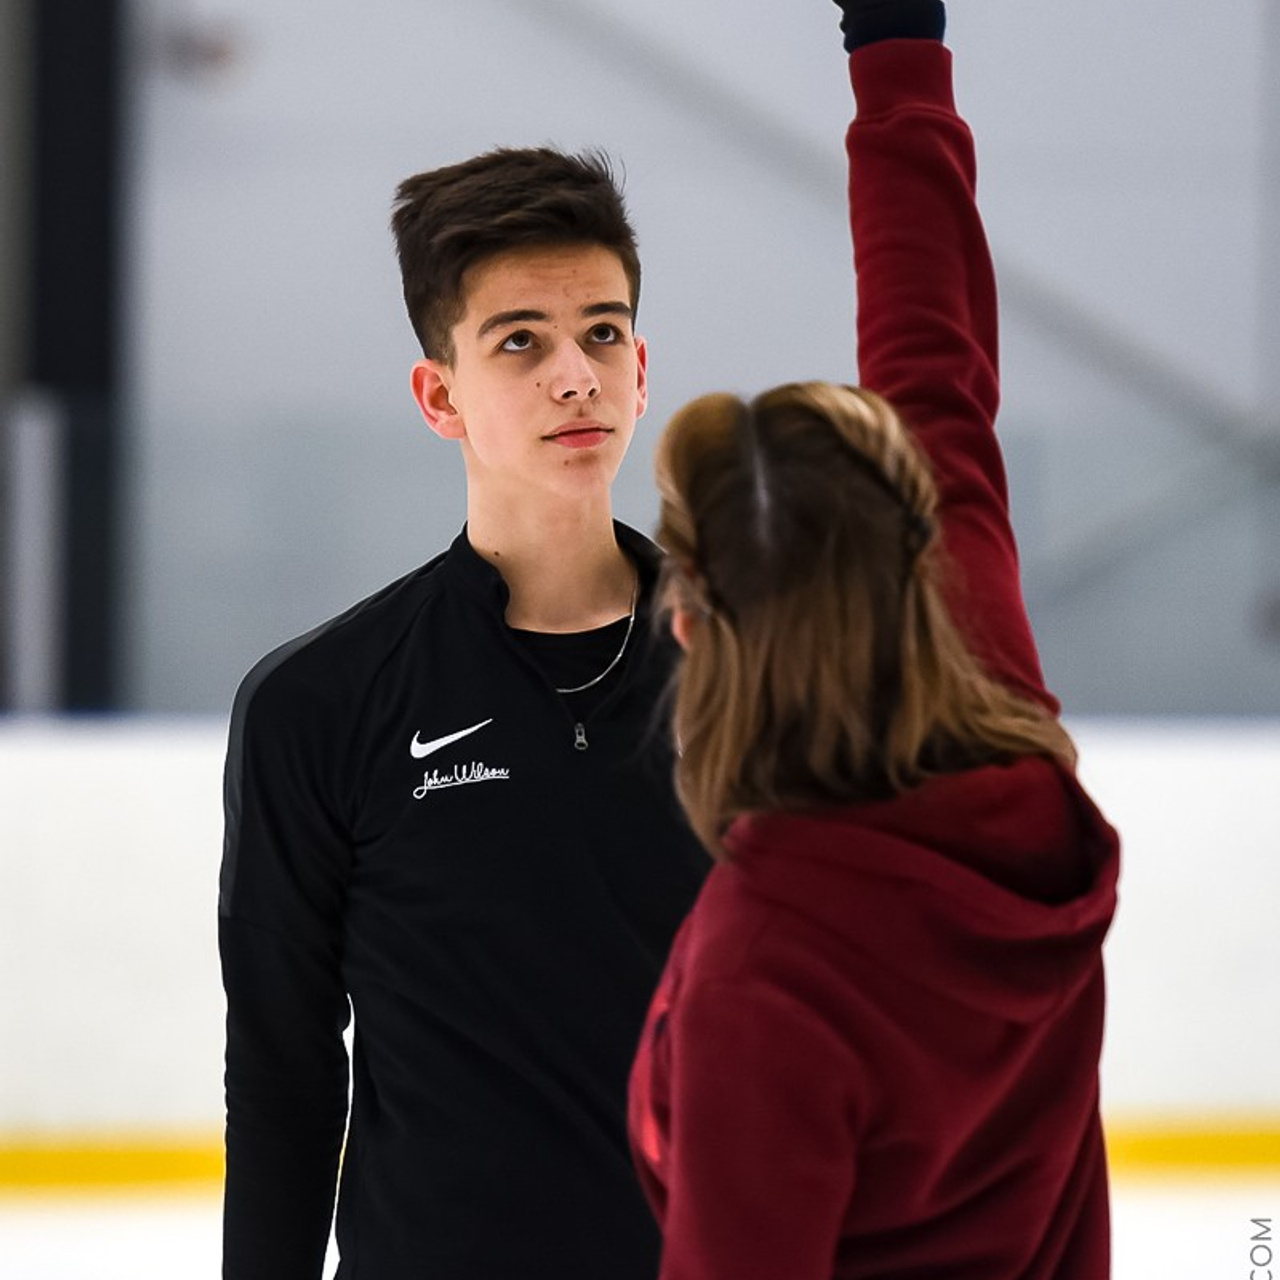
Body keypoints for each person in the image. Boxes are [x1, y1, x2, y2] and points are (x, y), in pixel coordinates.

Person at [627, 3, 1122, 1277]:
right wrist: (894, 46)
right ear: (909, 550)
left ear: (692, 622)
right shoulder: (999, 719)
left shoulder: (769, 971)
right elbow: (932, 359)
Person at [218, 148, 709, 1277]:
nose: (574, 375)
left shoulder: (756, 663)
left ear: (640, 367)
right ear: (439, 394)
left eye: (599, 332)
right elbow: (284, 1068)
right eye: (519, 341)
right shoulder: (319, 703)